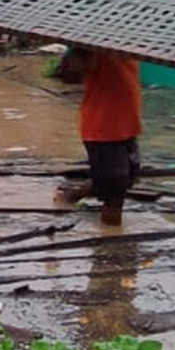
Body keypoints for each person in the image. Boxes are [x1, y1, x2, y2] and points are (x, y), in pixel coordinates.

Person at [57, 47, 142, 226]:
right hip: (104, 131)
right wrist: (78, 57)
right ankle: (111, 246)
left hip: (126, 127)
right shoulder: (96, 49)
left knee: (123, 181)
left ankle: (70, 197)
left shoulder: (129, 46)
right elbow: (69, 73)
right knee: (115, 195)